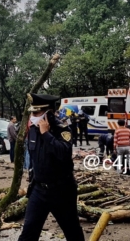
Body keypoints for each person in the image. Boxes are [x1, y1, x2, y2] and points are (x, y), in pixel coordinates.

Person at [18, 93, 85, 241]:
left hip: (61, 191)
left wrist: (46, 134)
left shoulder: (63, 129)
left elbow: (64, 154)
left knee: (72, 231)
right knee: (28, 232)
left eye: (36, 112)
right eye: (31, 112)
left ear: (47, 112)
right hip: (39, 190)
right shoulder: (33, 130)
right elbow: (34, 159)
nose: (32, 116)